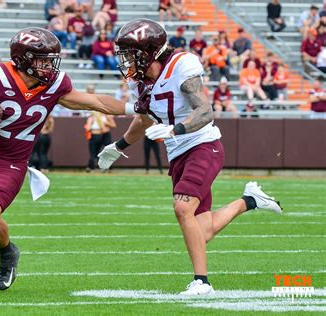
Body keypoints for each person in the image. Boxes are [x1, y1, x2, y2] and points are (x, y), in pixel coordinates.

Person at [0, 27, 142, 294]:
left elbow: (96, 101)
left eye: (50, 60)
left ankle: (8, 251)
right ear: (24, 59)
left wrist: (138, 107)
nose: (49, 66)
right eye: (43, 60)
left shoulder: (55, 85)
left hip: (13, 162)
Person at [97, 18, 282, 295]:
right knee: (201, 230)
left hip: (203, 145)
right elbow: (145, 120)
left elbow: (205, 111)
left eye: (130, 55)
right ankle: (250, 200)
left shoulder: (181, 66)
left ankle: (202, 282)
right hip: (178, 154)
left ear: (148, 53)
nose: (126, 62)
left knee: (182, 209)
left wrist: (176, 129)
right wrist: (119, 145)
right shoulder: (142, 83)